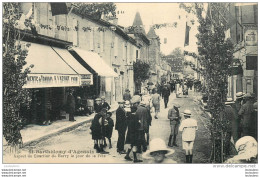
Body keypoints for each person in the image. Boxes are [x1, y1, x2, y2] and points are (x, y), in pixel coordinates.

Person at [124, 96, 143, 162]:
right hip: (134, 133)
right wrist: (139, 123)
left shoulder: (129, 116)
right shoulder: (135, 117)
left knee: (130, 144)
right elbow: (137, 125)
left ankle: (127, 155)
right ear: (135, 111)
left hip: (129, 133)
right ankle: (135, 159)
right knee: (134, 145)